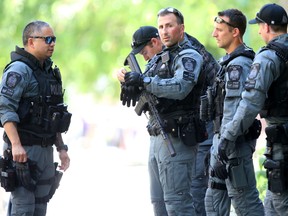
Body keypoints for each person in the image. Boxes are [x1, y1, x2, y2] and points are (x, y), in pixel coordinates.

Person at [123, 7, 209, 215]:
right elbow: (148, 88)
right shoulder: (161, 57)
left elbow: (180, 87)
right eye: (161, 26)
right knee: (159, 203)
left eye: (169, 25)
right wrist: (131, 85)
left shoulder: (189, 55)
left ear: (181, 28)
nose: (164, 31)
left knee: (178, 205)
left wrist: (143, 80)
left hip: (177, 136)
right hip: (157, 135)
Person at [216, 3, 288, 216]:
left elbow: (250, 102)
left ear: (266, 27)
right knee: (272, 205)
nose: (257, 30)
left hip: (282, 139)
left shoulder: (268, 57)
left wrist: (227, 136)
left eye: (259, 26)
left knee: (281, 202)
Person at [0, 20, 71, 216]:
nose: (52, 43)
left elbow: (55, 114)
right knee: (23, 210)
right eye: (47, 39)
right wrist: (15, 145)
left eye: (54, 39)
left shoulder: (49, 72)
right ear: (31, 42)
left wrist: (61, 148)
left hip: (45, 150)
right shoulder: (19, 70)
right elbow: (4, 108)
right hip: (24, 151)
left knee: (40, 209)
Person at [204, 9, 264, 215]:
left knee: (245, 204)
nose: (214, 34)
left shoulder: (240, 65)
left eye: (220, 30)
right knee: (213, 203)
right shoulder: (228, 62)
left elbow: (235, 110)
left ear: (235, 32)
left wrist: (223, 149)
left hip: (233, 146)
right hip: (221, 144)